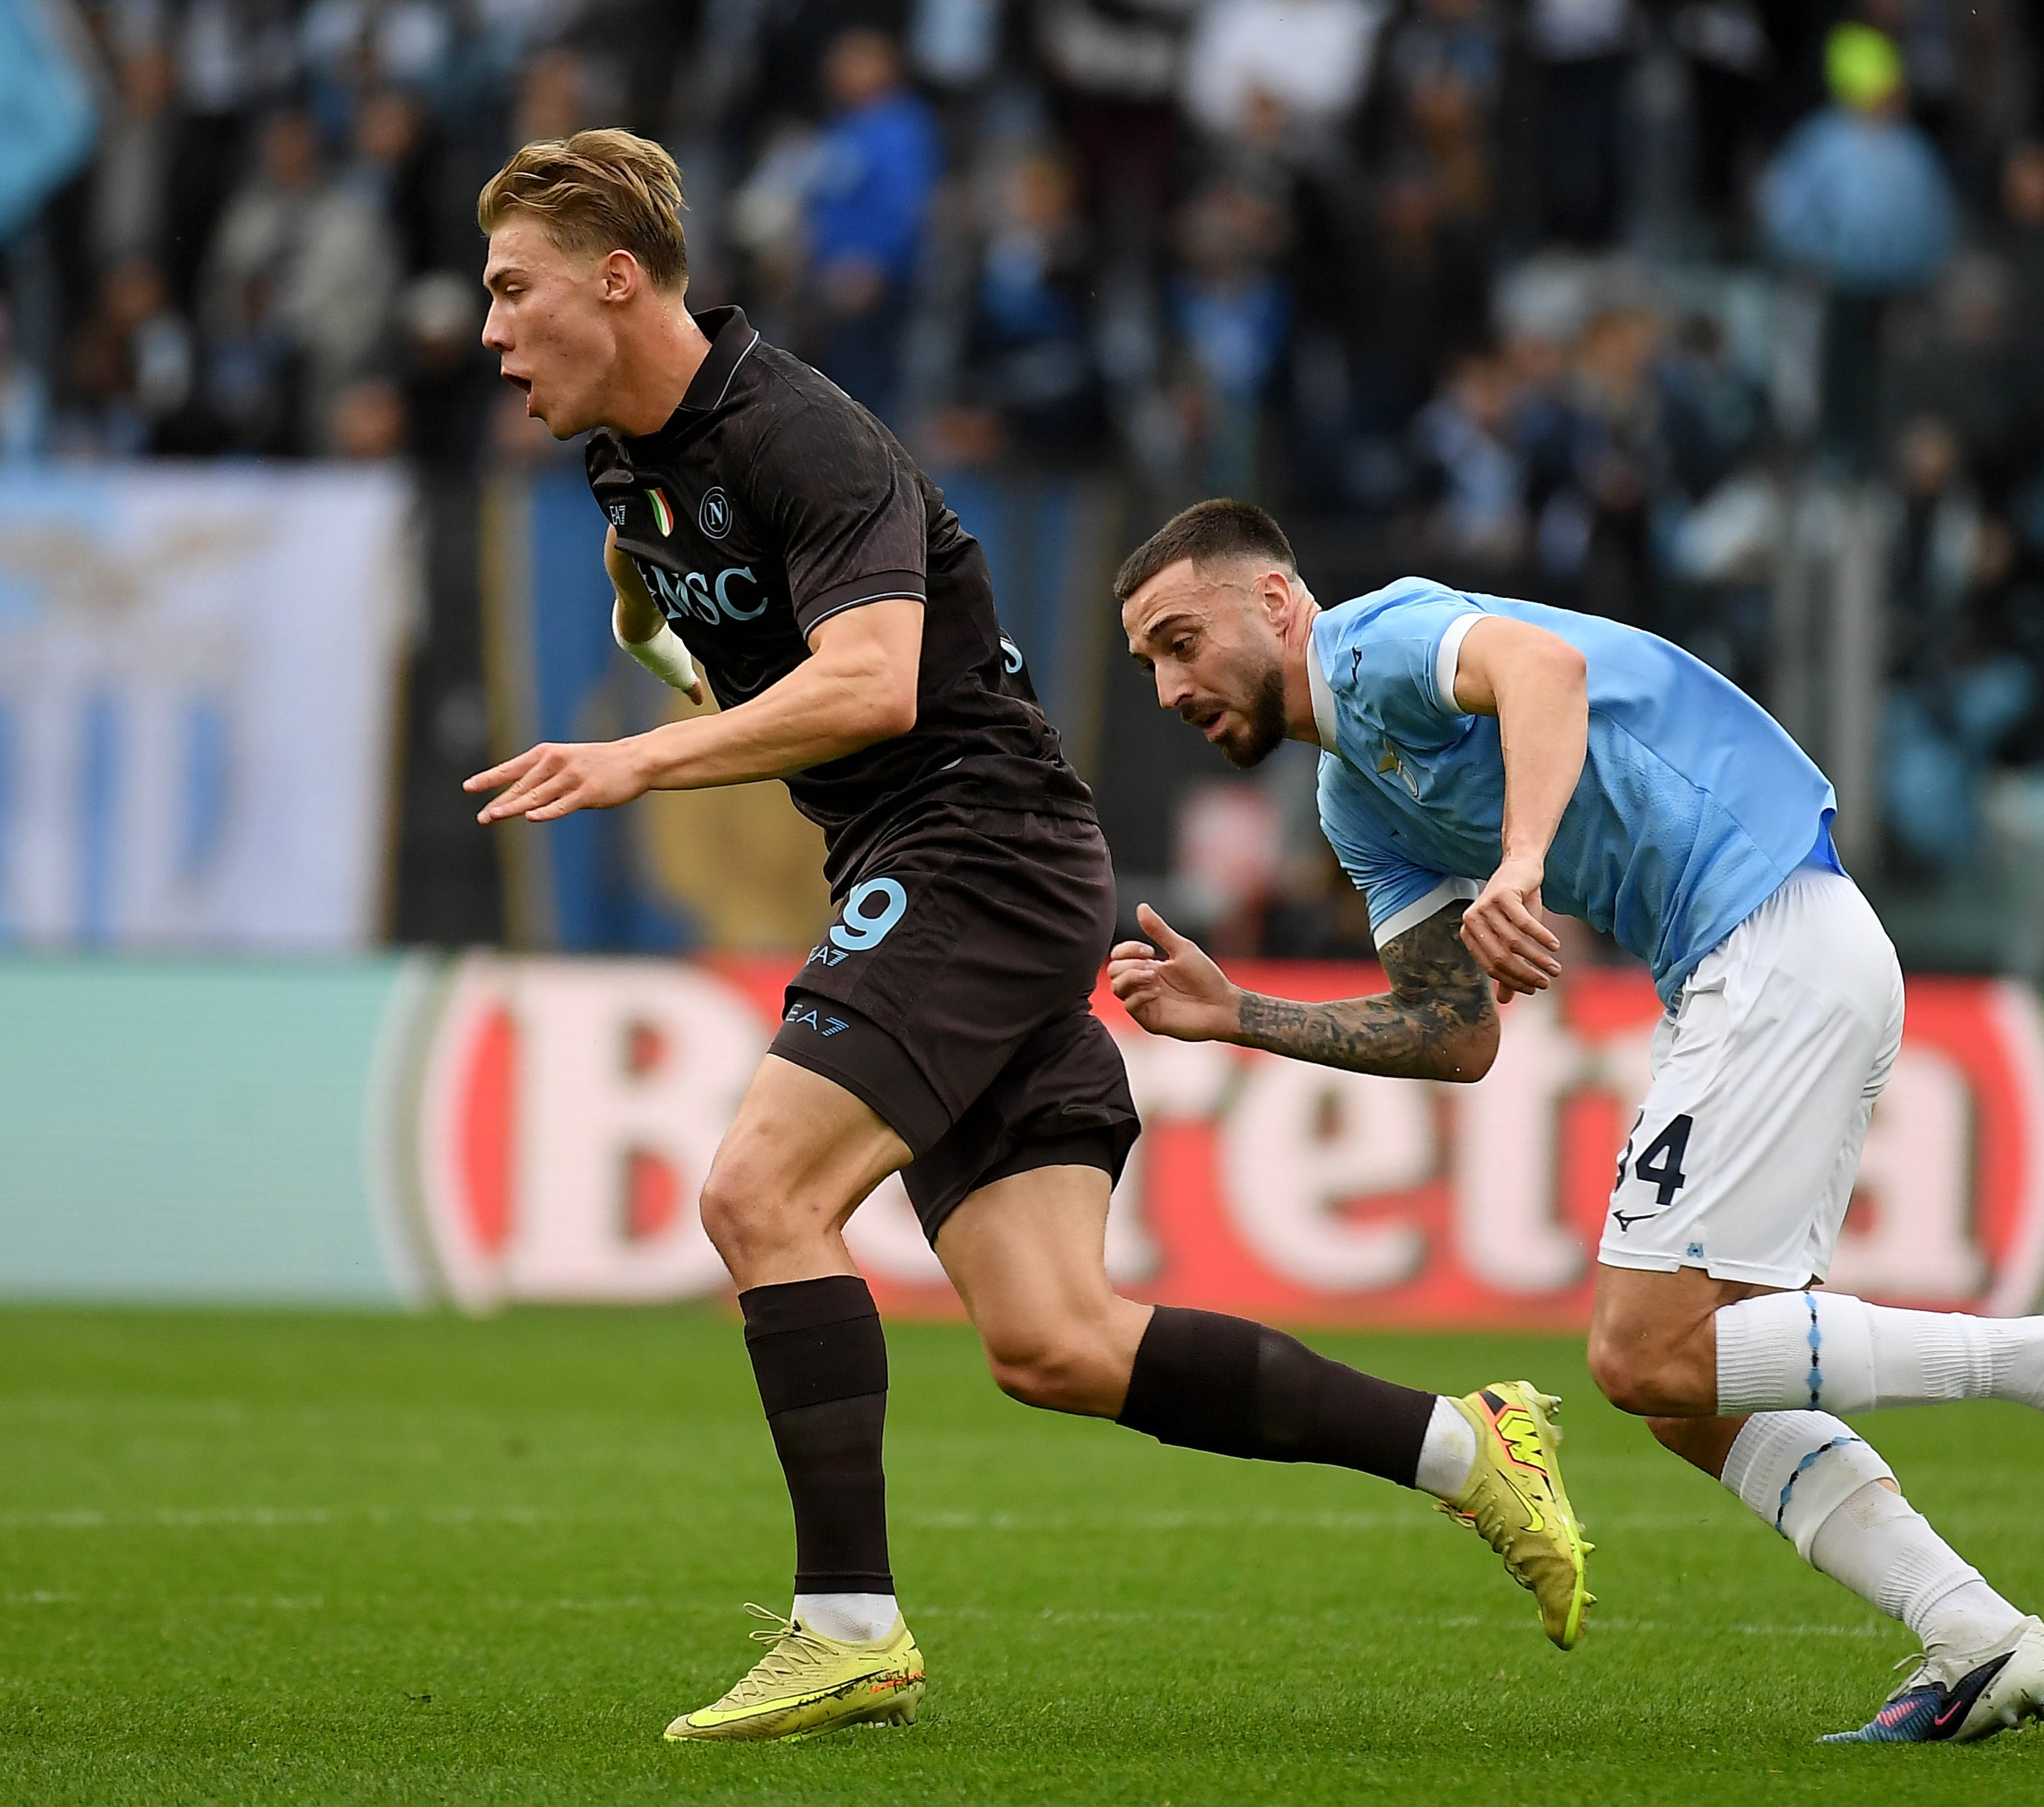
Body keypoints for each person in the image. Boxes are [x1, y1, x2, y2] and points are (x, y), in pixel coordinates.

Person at [463, 130, 1590, 1745]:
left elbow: (874, 683)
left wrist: (633, 756)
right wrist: (663, 641)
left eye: (515, 289)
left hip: (975, 853)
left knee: (756, 1190)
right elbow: (762, 678)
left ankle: (847, 1624)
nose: (491, 331)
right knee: (1057, 1338)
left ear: (620, 279)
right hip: (938, 862)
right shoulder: (626, 472)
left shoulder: (798, 433)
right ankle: (1471, 1447)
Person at [1108, 498, 2044, 1746]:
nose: (1167, 686)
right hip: (1759, 961)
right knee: (1689, 1390)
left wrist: (1519, 863)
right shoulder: (1357, 799)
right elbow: (1454, 1033)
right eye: (1146, 662)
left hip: (1770, 932)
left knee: (1639, 1352)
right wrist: (1237, 1011)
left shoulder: (1371, 641)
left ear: (1276, 604)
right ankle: (1975, 1631)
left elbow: (1541, 667)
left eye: (1181, 641)